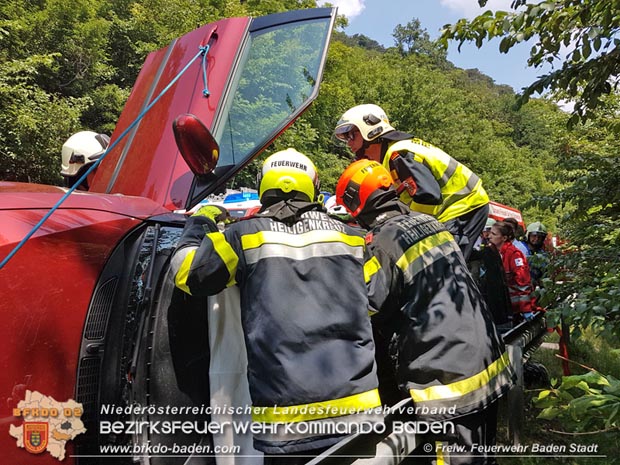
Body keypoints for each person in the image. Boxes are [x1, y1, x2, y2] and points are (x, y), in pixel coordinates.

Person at [171, 148, 381, 463]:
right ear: (312, 186)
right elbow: (374, 303)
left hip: (287, 425)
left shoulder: (239, 237)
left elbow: (189, 274)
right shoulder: (353, 239)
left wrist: (199, 226)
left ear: (264, 186)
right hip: (356, 413)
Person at [336, 159, 515, 465]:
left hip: (449, 382)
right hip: (487, 362)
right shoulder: (431, 223)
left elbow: (369, 305)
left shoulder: (384, 240)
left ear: (357, 204)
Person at [334, 103, 489, 261]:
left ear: (370, 130)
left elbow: (428, 197)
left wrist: (408, 227)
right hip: (456, 208)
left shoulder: (399, 153)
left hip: (464, 208)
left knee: (445, 265)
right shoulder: (392, 154)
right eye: (345, 138)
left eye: (351, 135)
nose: (349, 143)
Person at [488, 221, 535, 323]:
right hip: (503, 307)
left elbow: (523, 283)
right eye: (490, 232)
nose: (489, 236)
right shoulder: (494, 252)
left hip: (516, 310)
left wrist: (525, 309)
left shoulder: (514, 254)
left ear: (504, 238)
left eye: (494, 234)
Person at [524, 221, 550, 288]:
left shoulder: (544, 255)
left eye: (540, 237)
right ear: (528, 235)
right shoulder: (520, 249)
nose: (536, 239)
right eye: (534, 236)